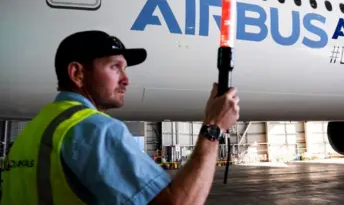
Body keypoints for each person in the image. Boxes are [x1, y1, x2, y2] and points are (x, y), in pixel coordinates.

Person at [0, 30, 240, 204]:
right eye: (115, 67)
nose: (126, 79)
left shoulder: (36, 130)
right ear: (77, 73)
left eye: (125, 68)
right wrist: (213, 128)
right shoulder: (95, 130)